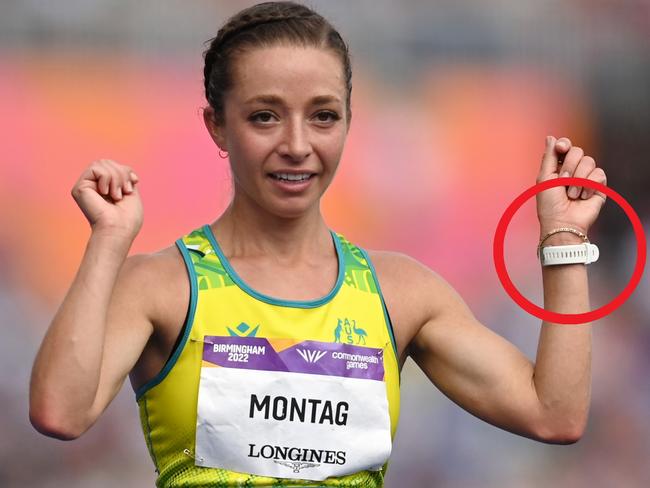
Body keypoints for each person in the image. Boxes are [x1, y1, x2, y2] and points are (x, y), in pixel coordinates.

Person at [29, 1, 608, 487]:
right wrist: (108, 241)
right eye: (264, 117)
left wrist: (565, 240)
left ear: (350, 121)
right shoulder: (162, 285)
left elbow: (554, 414)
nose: (297, 145)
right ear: (216, 125)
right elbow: (59, 412)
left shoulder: (401, 292)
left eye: (324, 116)